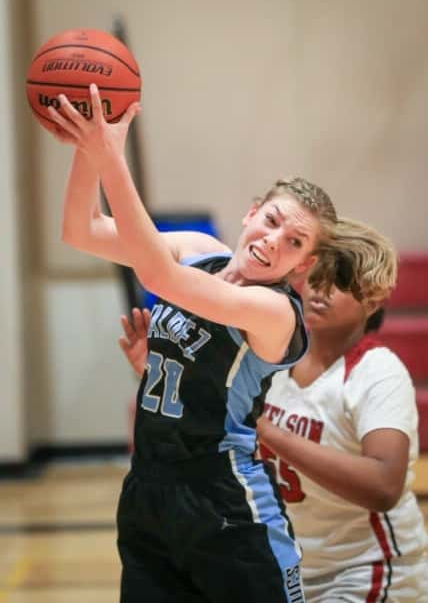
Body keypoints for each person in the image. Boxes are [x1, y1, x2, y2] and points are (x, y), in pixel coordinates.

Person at [48, 84, 350, 603]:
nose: (273, 240)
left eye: (294, 243)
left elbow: (160, 277)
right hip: (148, 490)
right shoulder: (199, 251)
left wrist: (110, 154)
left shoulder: (276, 310)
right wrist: (86, 142)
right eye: (272, 221)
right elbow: (82, 228)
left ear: (302, 266)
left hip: (226, 506)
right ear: (251, 212)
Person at [255, 219, 428, 602]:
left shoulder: (377, 371)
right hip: (295, 567)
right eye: (317, 278)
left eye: (340, 282)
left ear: (373, 299)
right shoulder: (275, 360)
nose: (321, 291)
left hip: (372, 570)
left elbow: (383, 485)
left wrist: (270, 433)